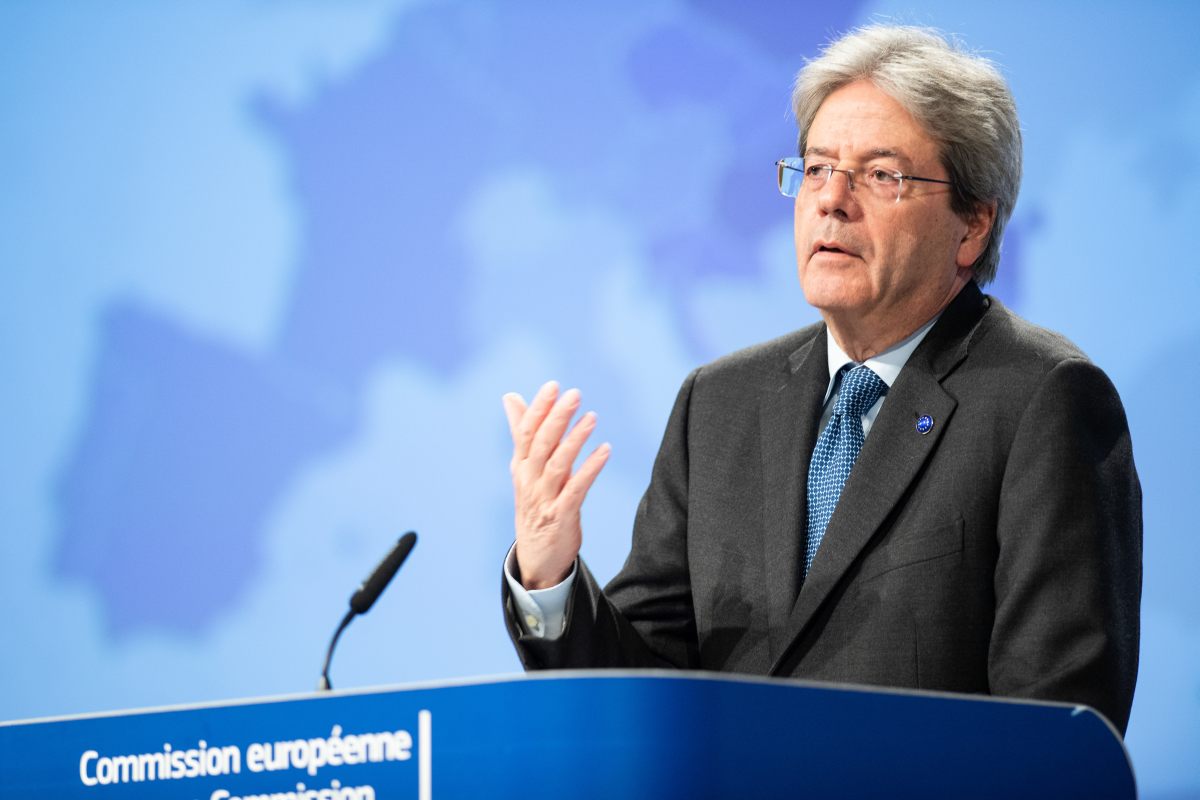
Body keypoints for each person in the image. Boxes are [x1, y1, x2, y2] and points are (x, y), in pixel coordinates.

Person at [499, 25, 1142, 734]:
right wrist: (549, 579)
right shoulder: (718, 404)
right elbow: (641, 692)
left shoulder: (1041, 399)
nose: (832, 199)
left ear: (972, 226)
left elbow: (1056, 730)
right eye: (816, 168)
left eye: (881, 175)